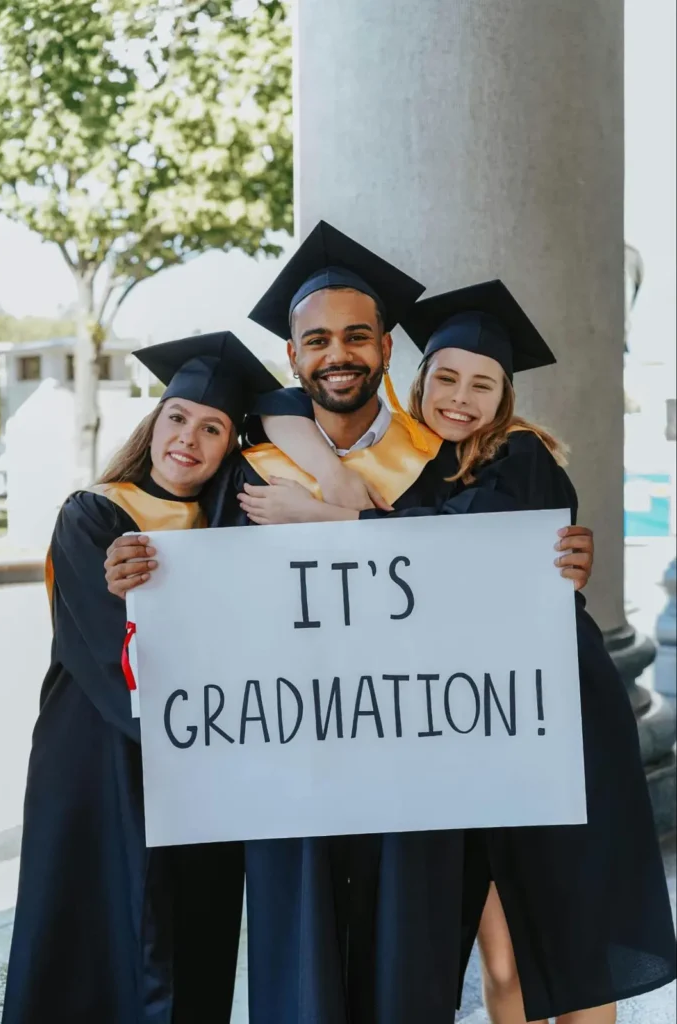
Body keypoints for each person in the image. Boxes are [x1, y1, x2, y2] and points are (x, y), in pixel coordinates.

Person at [105, 225, 595, 1024]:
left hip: (415, 768)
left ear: (386, 347)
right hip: (292, 768)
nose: (339, 353)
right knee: (301, 974)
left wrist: (559, 564)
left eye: (357, 336)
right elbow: (193, 594)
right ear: (294, 359)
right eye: (317, 340)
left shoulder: (441, 459)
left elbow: (495, 579)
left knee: (408, 964)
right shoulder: (246, 466)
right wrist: (132, 574)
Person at [234, 280, 677, 1024]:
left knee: (568, 945)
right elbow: (278, 406)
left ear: (504, 396)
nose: (460, 398)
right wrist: (341, 478)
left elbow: (453, 559)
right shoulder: (423, 464)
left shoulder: (520, 455)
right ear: (417, 376)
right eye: (445, 377)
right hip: (469, 732)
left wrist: (318, 513)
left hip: (547, 720)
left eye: (482, 384)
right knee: (503, 959)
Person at [3, 332, 281, 1024]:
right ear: (153, 424)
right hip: (99, 759)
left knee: (193, 937)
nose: (189, 437)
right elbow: (107, 653)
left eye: (212, 427)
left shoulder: (236, 526)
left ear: (229, 446)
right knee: (94, 934)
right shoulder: (95, 514)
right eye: (177, 417)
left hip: (202, 767)